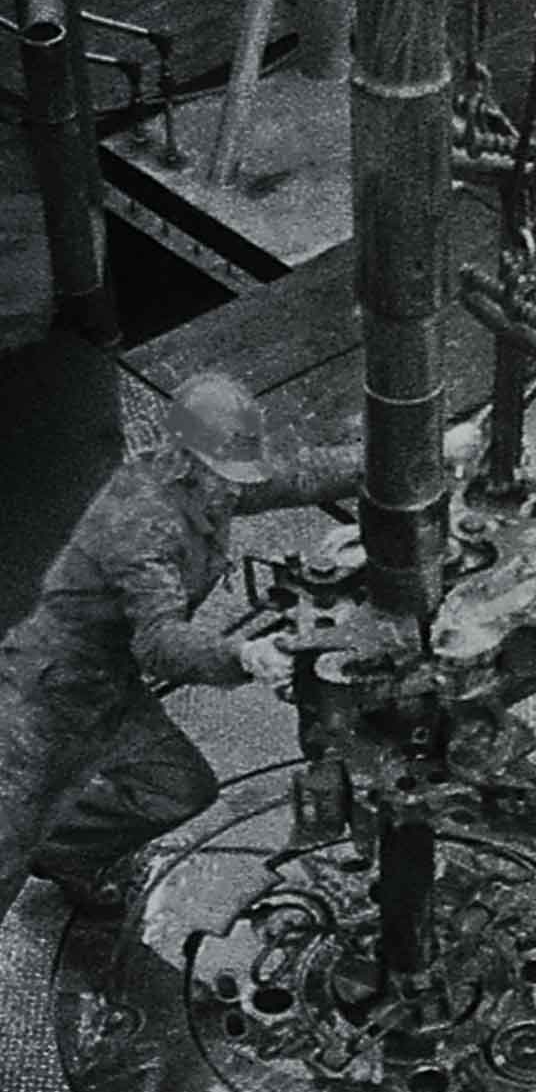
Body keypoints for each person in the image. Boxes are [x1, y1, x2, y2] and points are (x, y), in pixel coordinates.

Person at [0, 370, 362, 926]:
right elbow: (160, 641)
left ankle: (69, 853)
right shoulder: (142, 524)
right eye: (227, 476)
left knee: (177, 789)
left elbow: (301, 474)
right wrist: (243, 654)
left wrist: (400, 458)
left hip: (106, 687)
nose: (238, 488)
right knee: (7, 846)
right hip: (42, 697)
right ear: (187, 460)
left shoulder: (210, 484)